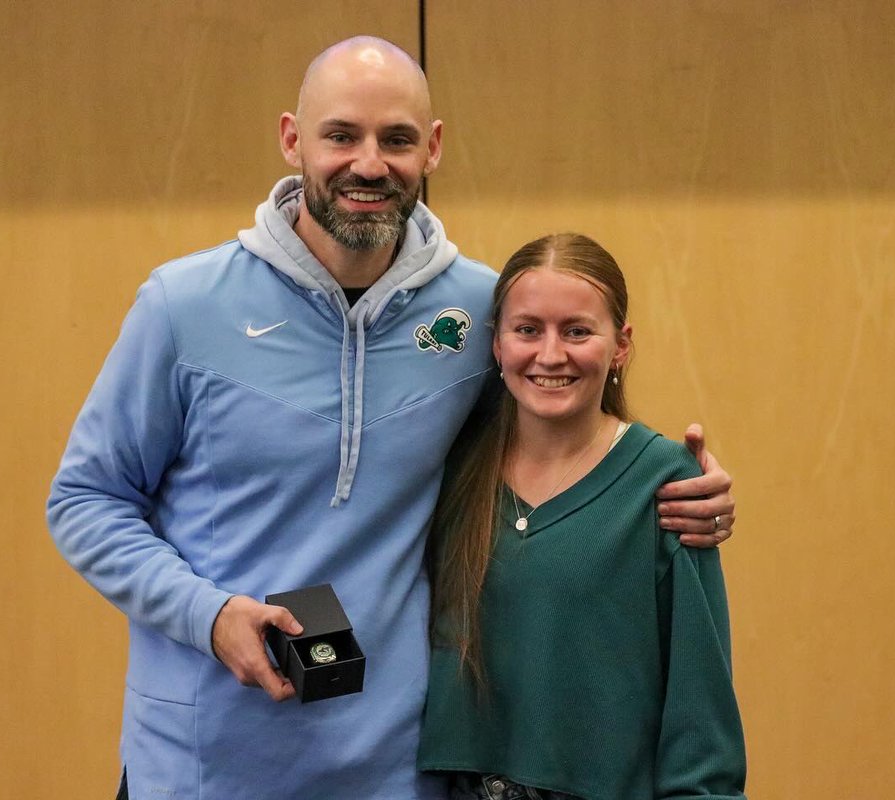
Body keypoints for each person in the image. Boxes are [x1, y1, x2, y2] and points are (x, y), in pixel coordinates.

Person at [46, 37, 736, 800]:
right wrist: (207, 615)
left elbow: (553, 442)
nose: (369, 165)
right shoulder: (183, 307)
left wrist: (678, 493)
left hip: (395, 771)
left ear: (431, 149)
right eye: (341, 135)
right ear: (291, 139)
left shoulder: (476, 312)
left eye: (396, 139)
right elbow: (84, 501)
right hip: (206, 764)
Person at [418, 233, 747, 799]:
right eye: (527, 330)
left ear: (620, 345)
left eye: (577, 331)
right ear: (496, 344)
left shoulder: (664, 483)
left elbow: (701, 706)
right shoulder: (451, 469)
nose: (550, 355)